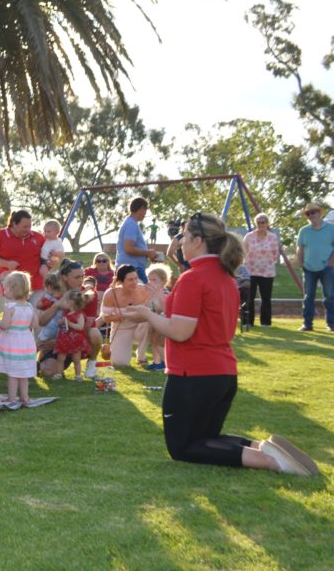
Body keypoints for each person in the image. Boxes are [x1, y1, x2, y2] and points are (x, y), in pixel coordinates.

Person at [120, 212, 318, 476]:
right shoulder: (225, 278)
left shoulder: (194, 277)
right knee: (207, 438)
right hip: (221, 373)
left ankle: (272, 461)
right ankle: (264, 448)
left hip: (194, 375)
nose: (181, 243)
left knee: (184, 448)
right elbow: (199, 320)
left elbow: (180, 332)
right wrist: (162, 304)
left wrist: (147, 314)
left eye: (185, 237)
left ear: (199, 240)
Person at [0, 271, 38, 405]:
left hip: (12, 341)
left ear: (12, 290)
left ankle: (11, 398)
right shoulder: (29, 306)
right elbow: (35, 324)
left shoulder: (9, 307)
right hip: (26, 340)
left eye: (5, 288)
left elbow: (5, 325)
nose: (4, 291)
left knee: (12, 372)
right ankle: (25, 397)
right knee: (23, 373)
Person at [100, 265, 151, 368]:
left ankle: (141, 356)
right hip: (121, 328)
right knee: (120, 363)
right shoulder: (111, 294)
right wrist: (121, 317)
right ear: (121, 281)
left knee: (148, 321)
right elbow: (105, 318)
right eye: (130, 280)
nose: (135, 282)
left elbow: (153, 310)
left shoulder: (143, 290)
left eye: (136, 278)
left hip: (141, 327)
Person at [296, 202, 334, 332]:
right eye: (308, 213)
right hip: (309, 268)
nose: (311, 215)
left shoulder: (331, 228)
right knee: (308, 297)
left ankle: (332, 324)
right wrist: (300, 262)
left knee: (330, 296)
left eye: (313, 212)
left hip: (327, 268)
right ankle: (307, 324)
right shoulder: (304, 230)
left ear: (320, 213)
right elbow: (300, 247)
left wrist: (331, 262)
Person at [0, 210, 46, 290]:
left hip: (36, 286)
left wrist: (48, 263)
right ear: (14, 224)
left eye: (29, 226)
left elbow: (48, 256)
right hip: (9, 288)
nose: (28, 229)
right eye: (24, 227)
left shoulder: (39, 237)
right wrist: (6, 264)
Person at [242, 213, 279, 329]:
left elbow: (275, 253)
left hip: (267, 272)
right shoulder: (249, 236)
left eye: (263, 222)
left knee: (266, 297)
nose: (261, 224)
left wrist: (268, 262)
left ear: (267, 224)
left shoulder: (272, 237)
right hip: (250, 270)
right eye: (258, 222)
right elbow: (244, 251)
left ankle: (266, 322)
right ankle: (247, 321)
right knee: (249, 297)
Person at [116, 197, 159, 282]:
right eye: (145, 210)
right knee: (146, 293)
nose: (145, 214)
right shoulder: (131, 225)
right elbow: (128, 248)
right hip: (133, 269)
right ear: (141, 208)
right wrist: (148, 252)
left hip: (130, 268)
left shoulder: (130, 223)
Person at [54, 290, 91, 381]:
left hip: (75, 340)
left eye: (66, 301)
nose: (64, 303)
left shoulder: (79, 314)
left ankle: (78, 375)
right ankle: (59, 373)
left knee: (76, 359)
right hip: (64, 339)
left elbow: (80, 327)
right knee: (60, 357)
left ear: (71, 302)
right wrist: (61, 323)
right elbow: (60, 325)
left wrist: (69, 323)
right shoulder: (65, 313)